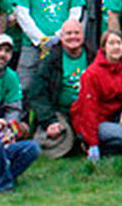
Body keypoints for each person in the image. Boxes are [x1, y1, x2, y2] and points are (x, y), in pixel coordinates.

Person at [70, 30, 122, 161]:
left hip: (115, 113)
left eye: (119, 43)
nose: (116, 47)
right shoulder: (91, 74)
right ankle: (96, 146)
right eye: (111, 43)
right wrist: (92, 142)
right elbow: (88, 110)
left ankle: (121, 139)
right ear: (104, 48)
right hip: (96, 120)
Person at [29, 18, 93, 157]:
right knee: (49, 139)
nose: (73, 37)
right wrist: (49, 121)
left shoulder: (92, 57)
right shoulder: (51, 60)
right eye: (68, 33)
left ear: (83, 35)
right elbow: (37, 94)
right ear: (61, 37)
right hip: (61, 113)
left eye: (77, 33)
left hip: (88, 113)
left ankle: (80, 138)